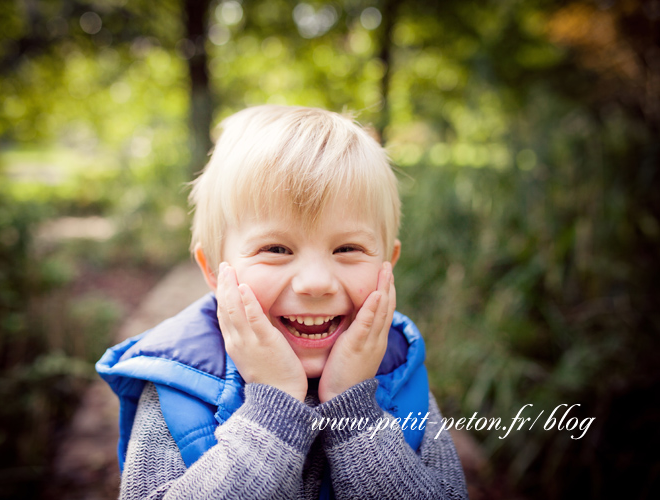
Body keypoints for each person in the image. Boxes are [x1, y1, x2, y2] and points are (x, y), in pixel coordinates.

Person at [97, 105, 469, 499]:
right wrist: (272, 411)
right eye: (276, 248)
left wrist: (354, 411)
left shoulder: (400, 374)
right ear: (213, 270)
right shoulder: (178, 385)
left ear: (387, 265)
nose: (315, 283)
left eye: (347, 248)